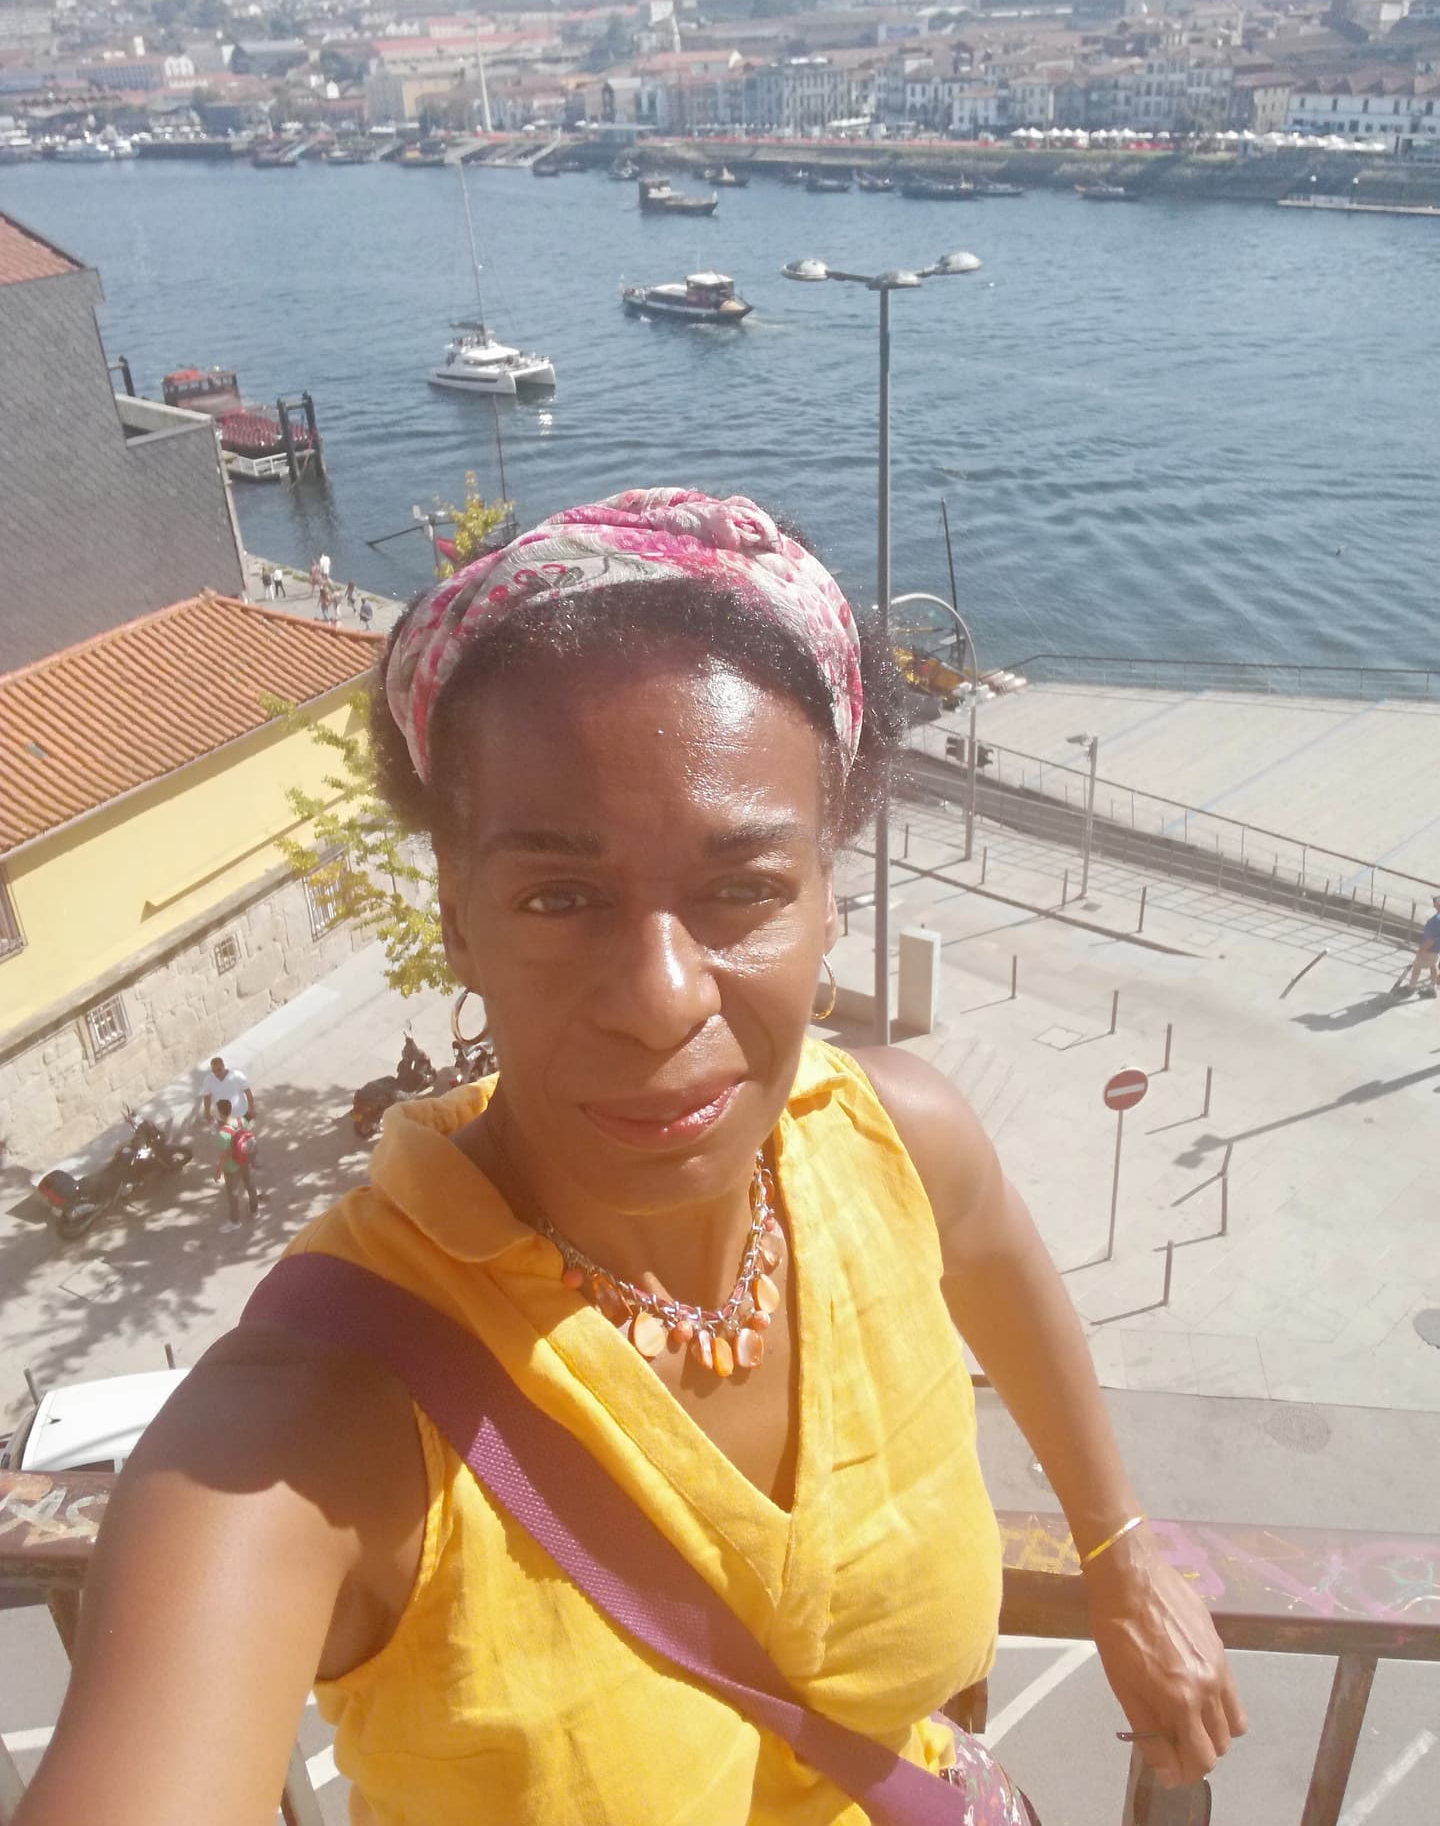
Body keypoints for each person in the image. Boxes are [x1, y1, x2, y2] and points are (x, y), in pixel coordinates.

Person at [16, 489, 1244, 1826]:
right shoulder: (310, 1430)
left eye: (743, 889)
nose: (662, 997)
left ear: (830, 896)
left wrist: (1120, 1554)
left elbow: (998, 1255)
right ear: (460, 924)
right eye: (559, 896)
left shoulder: (894, 1145)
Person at [213, 1097, 258, 1230]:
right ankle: (254, 1210)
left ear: (220, 1113)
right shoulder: (242, 1120)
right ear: (231, 1110)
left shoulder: (223, 1134)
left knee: (232, 1194)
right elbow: (248, 1137)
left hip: (232, 1167)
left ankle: (234, 1222)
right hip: (245, 1160)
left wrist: (218, 1172)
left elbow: (223, 1156)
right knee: (250, 1184)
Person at [1398, 892, 1440, 997]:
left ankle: (1411, 987)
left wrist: (1421, 950)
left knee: (1416, 967)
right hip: (1436, 951)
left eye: (1434, 901)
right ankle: (1432, 989)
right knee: (1433, 967)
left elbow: (1431, 940)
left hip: (1428, 950)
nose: (1433, 903)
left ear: (1437, 905)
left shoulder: (1435, 921)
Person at [200, 1053, 254, 1126]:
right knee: (227, 1136)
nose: (217, 1073)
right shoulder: (208, 1080)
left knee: (244, 1135)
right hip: (222, 1119)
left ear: (223, 1066)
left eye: (219, 1070)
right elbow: (206, 1097)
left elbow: (247, 1091)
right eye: (214, 1071)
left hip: (241, 1115)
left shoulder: (237, 1075)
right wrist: (207, 1114)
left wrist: (251, 1108)